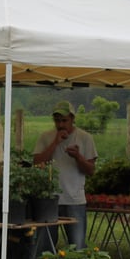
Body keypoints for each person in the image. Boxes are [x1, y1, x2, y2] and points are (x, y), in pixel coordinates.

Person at [33, 100, 98, 249]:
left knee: (77, 246)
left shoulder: (85, 138)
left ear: (72, 119)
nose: (61, 124)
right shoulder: (46, 137)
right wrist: (55, 143)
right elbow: (36, 163)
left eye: (64, 120)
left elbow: (91, 170)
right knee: (44, 247)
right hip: (49, 200)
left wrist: (78, 157)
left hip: (74, 200)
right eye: (57, 120)